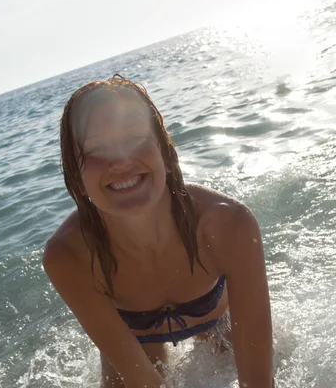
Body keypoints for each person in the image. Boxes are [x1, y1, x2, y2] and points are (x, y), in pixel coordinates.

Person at [43, 75, 274, 388]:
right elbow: (145, 381)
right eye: (97, 148)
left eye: (134, 138)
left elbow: (259, 383)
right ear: (76, 177)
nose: (121, 160)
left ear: (165, 152)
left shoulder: (228, 224)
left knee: (238, 356)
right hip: (136, 336)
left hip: (218, 323)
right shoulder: (69, 256)